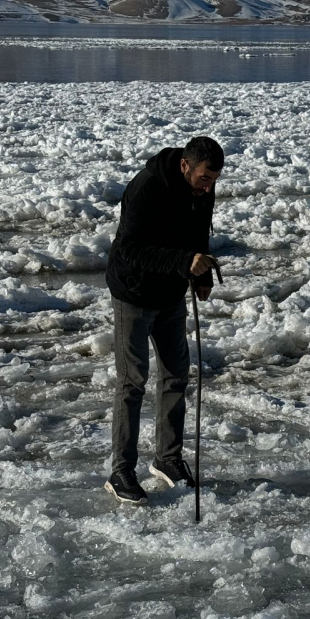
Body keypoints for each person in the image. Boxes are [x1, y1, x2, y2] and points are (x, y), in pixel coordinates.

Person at [104, 136, 223, 505]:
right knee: (132, 382)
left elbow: (198, 232)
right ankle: (120, 470)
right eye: (205, 178)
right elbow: (131, 249)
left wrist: (200, 274)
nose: (209, 186)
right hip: (134, 295)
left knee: (176, 375)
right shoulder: (146, 188)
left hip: (171, 294)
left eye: (215, 180)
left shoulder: (202, 190)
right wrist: (183, 262)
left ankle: (168, 460)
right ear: (186, 166)